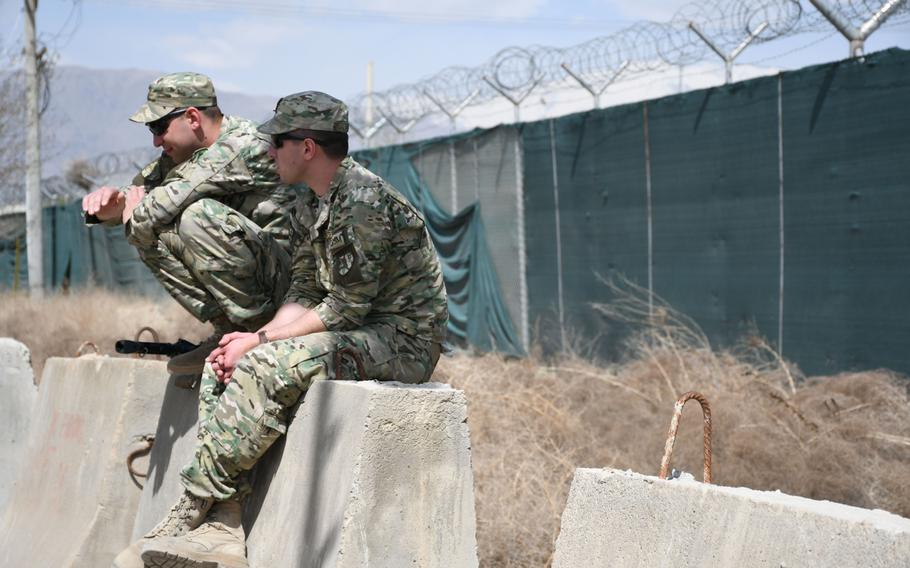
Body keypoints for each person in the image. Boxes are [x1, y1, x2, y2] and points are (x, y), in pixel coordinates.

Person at [111, 91, 448, 568]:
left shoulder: (362, 200)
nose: (268, 151)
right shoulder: (310, 202)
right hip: (356, 329)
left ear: (307, 148)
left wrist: (265, 341)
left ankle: (193, 506)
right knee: (228, 359)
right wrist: (251, 338)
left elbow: (346, 307)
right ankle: (222, 523)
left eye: (277, 142)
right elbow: (306, 288)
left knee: (267, 363)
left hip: (401, 341)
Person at [82, 72, 297, 375]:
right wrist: (110, 207)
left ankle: (260, 331)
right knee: (160, 227)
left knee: (196, 216)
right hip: (264, 277)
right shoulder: (184, 155)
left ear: (193, 118)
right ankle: (227, 329)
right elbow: (139, 194)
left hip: (293, 290)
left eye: (159, 127)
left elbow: (151, 208)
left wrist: (133, 212)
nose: (156, 140)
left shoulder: (242, 146)